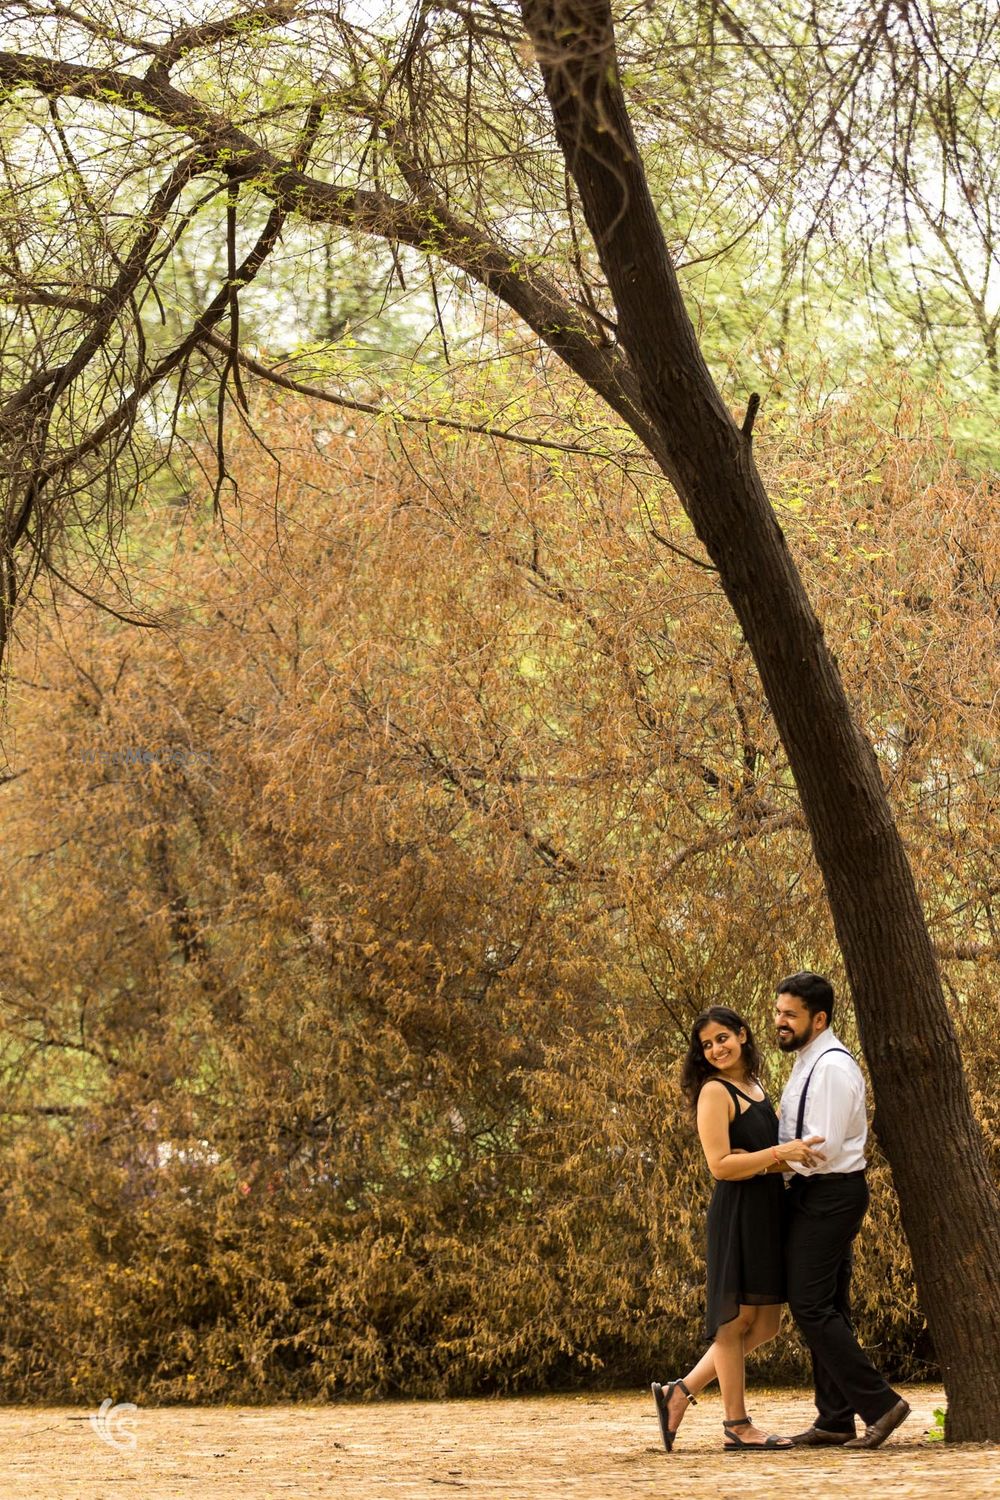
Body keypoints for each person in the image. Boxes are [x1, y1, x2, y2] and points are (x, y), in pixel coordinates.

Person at [651, 1005, 825, 1453]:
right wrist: (778, 1155)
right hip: (738, 1212)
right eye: (706, 1045)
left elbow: (769, 1153)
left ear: (743, 1035)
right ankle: (737, 1425)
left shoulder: (754, 1085)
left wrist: (799, 1156)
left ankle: (679, 1391)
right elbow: (721, 1165)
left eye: (722, 1038)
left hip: (768, 1210)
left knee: (766, 1324)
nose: (715, 1049)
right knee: (734, 1324)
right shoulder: (714, 1092)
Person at [775, 971, 911, 1450]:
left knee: (809, 1304)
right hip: (815, 1194)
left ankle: (880, 1404)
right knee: (828, 1305)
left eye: (790, 1014)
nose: (780, 1022)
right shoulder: (808, 1060)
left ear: (820, 1018)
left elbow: (823, 1148)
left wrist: (772, 1158)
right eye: (778, 1013)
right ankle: (834, 1419)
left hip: (830, 1192)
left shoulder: (831, 1066)